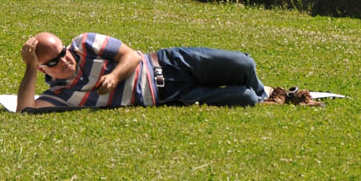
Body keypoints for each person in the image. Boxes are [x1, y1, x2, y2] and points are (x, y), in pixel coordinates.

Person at [17, 32, 323, 113]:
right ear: (42, 68)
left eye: (63, 52)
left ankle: (277, 94)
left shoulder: (84, 44)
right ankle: (276, 96)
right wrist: (29, 68)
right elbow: (24, 109)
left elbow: (130, 56)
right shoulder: (59, 95)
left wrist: (114, 77)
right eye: (55, 61)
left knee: (245, 65)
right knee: (244, 98)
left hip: (169, 63)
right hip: (169, 95)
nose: (65, 59)